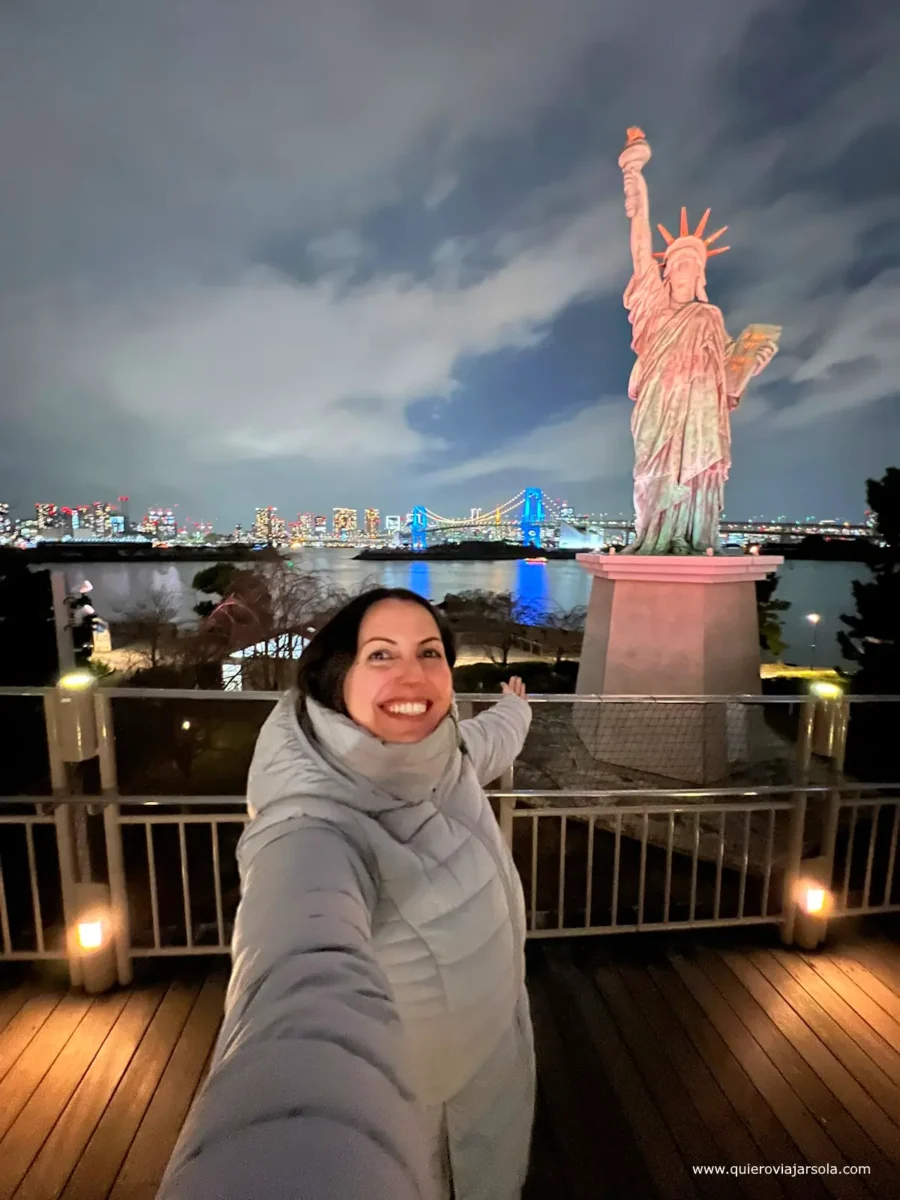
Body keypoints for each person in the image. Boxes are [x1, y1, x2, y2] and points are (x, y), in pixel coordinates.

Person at [156, 587, 535, 1200]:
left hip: (492, 1090)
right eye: (381, 655)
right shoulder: (311, 825)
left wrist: (516, 709)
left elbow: (484, 743)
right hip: (413, 1128)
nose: (413, 674)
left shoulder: (442, 751)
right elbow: (297, 982)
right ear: (337, 677)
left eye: (430, 653)